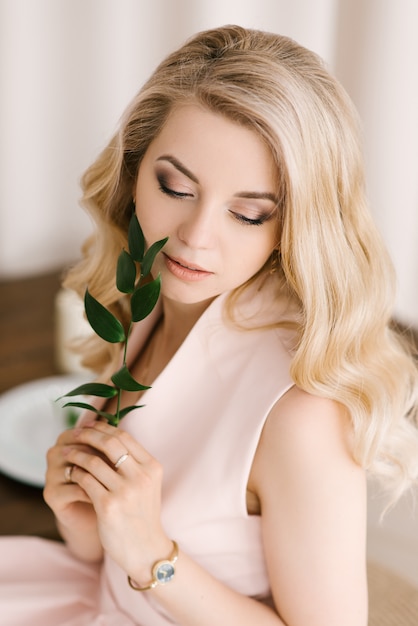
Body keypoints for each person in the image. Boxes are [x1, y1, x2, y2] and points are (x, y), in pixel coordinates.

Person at [1, 24, 418, 626]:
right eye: (175, 186)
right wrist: (83, 518)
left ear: (295, 225)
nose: (195, 238)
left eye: (248, 214)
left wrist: (153, 555)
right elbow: (109, 560)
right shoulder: (146, 295)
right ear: (134, 171)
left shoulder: (301, 413)